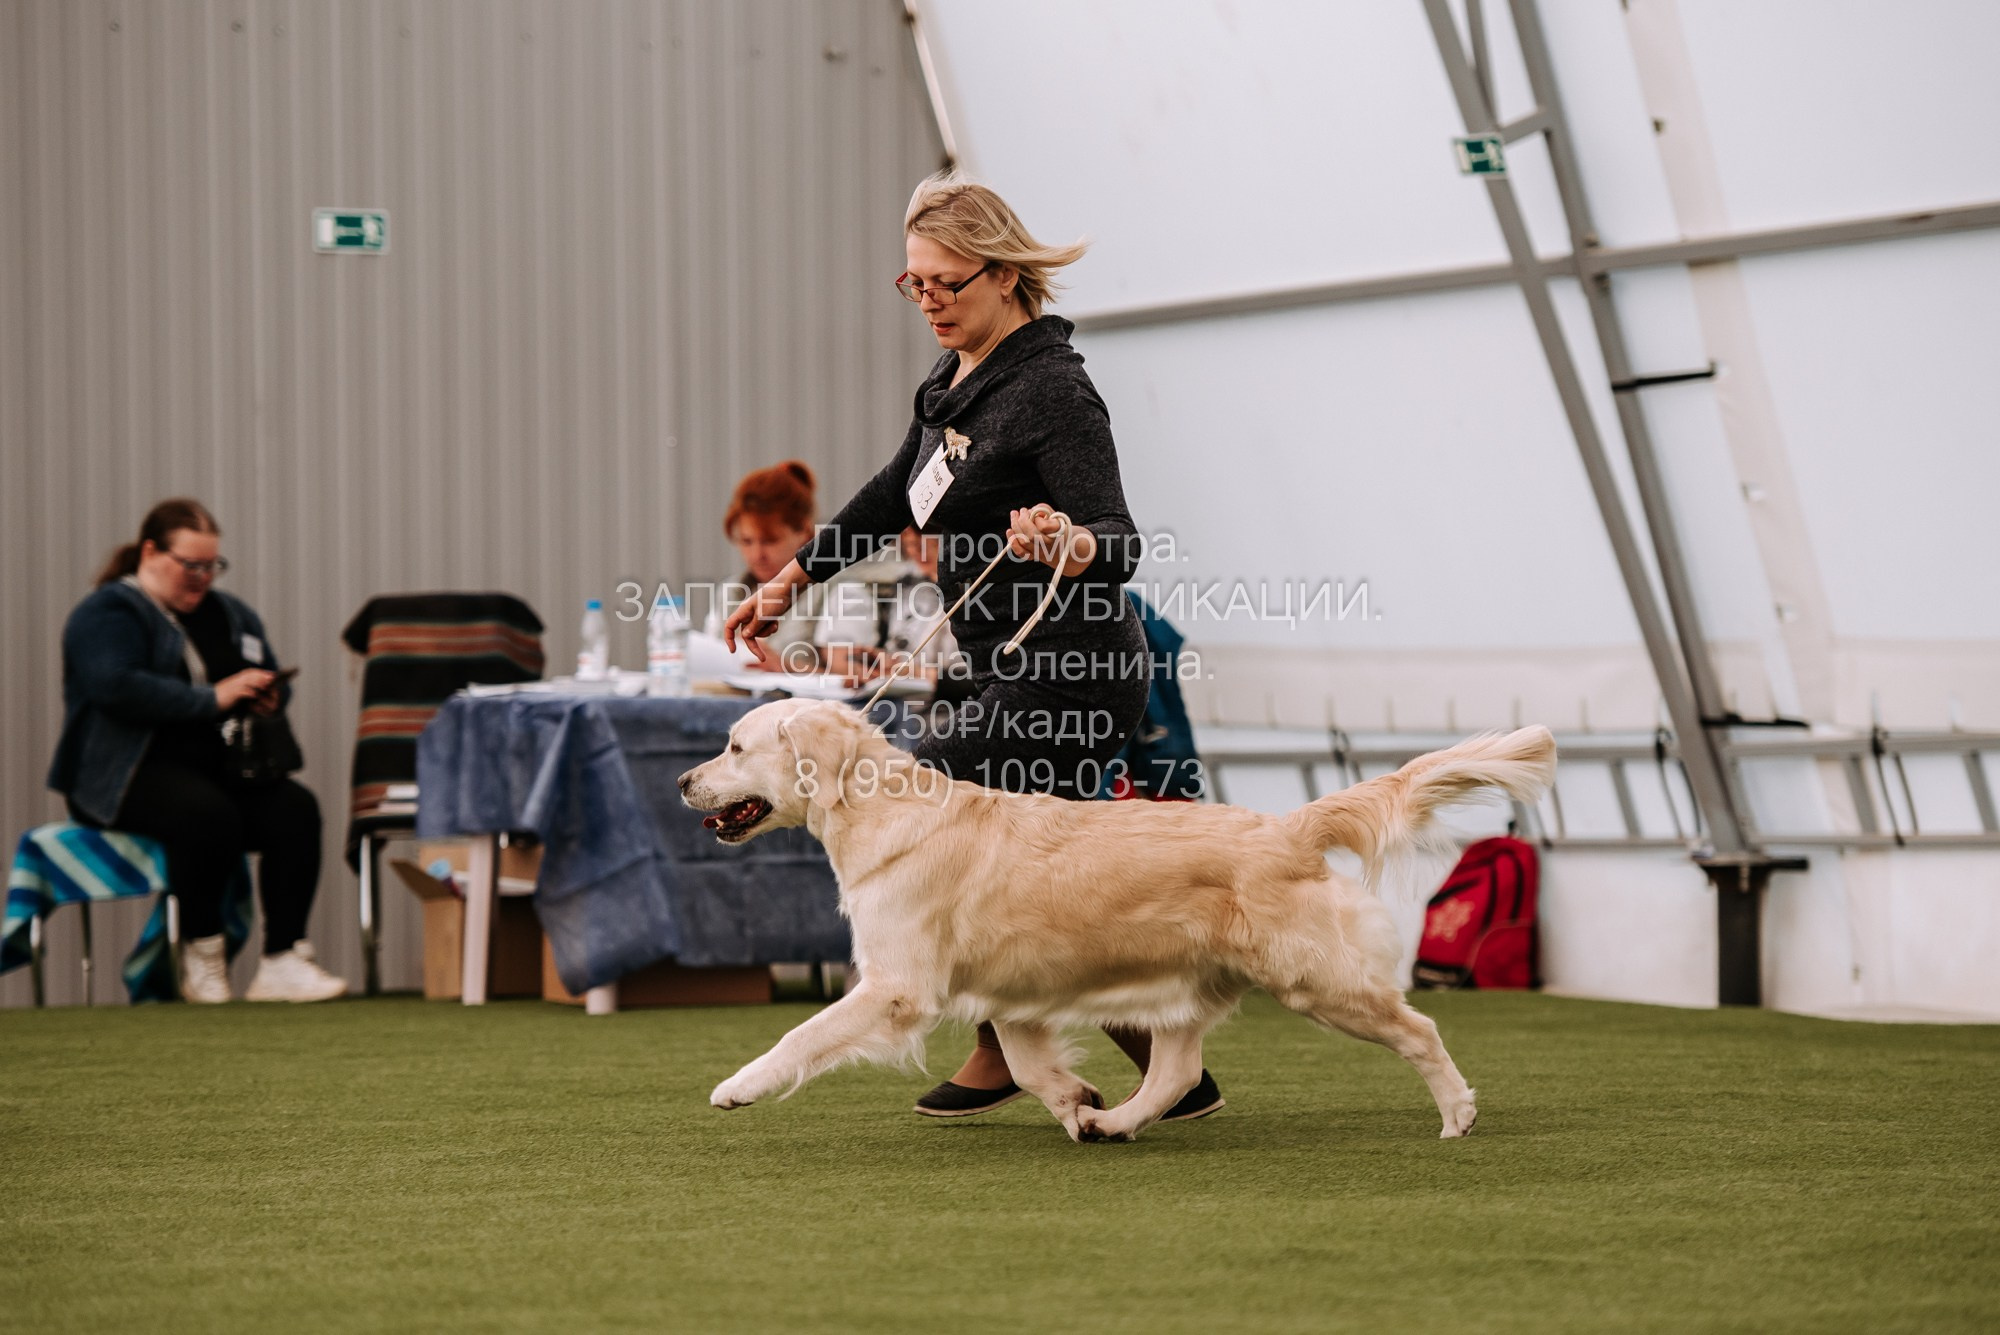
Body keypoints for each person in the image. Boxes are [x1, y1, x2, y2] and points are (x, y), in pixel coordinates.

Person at [724, 172, 1223, 1122]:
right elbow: (894, 492)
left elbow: (1118, 540)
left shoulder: (1053, 390)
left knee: (925, 815)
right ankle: (1121, 1055)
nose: (928, 301)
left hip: (1074, 671)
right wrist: (796, 576)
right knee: (1011, 881)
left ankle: (1058, 1052)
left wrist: (1067, 540)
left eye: (945, 283)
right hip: (1000, 666)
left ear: (1003, 275)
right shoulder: (954, 380)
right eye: (913, 283)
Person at [47, 498, 345, 1003]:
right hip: (122, 777)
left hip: (214, 769)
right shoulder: (107, 613)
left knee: (295, 808)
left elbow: (266, 670)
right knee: (205, 813)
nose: (203, 578)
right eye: (191, 565)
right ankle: (203, 954)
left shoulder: (231, 614)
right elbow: (115, 687)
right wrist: (213, 698)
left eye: (212, 566)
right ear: (150, 552)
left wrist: (270, 696)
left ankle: (282, 958)